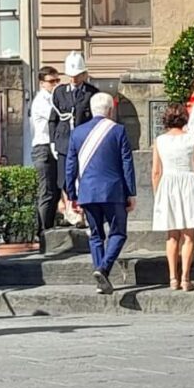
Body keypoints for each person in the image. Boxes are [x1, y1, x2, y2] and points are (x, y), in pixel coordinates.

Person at [65, 92, 135, 294]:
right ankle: (103, 269)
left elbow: (70, 165)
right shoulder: (118, 130)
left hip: (87, 191)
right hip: (113, 191)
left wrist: (72, 194)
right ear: (111, 110)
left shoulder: (77, 133)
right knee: (118, 233)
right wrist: (131, 192)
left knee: (95, 235)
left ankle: (100, 279)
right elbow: (126, 163)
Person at [151, 103, 194, 291]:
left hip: (168, 183)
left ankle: (172, 278)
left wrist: (157, 193)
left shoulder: (159, 141)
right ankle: (185, 278)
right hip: (189, 182)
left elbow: (156, 172)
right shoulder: (192, 139)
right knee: (189, 235)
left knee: (172, 235)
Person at [51, 51, 100, 205]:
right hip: (64, 142)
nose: (74, 78)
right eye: (71, 75)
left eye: (77, 74)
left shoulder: (92, 93)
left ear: (84, 74)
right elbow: (54, 118)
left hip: (83, 142)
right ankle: (68, 211)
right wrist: (53, 141)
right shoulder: (59, 92)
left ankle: (82, 211)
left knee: (82, 175)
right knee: (64, 178)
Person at [30, 66, 61, 232]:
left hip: (52, 146)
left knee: (55, 190)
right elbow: (56, 115)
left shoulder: (52, 98)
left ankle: (49, 226)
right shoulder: (41, 101)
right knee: (47, 190)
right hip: (43, 146)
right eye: (51, 81)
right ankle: (43, 231)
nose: (55, 84)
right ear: (42, 83)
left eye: (57, 80)